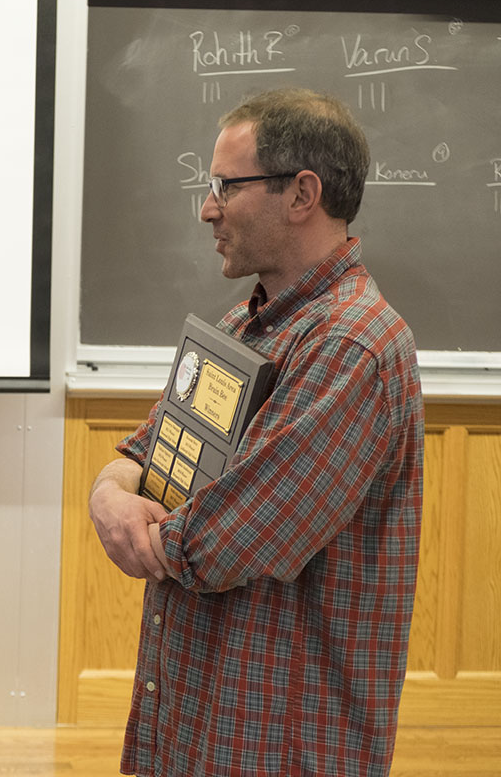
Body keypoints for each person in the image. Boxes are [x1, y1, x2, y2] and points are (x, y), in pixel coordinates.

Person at [87, 88, 424, 777]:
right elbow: (144, 454)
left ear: (302, 194)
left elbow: (223, 542)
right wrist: (110, 492)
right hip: (198, 727)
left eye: (225, 186)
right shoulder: (246, 324)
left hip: (281, 747)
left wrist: (135, 519)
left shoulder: (353, 347)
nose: (207, 208)